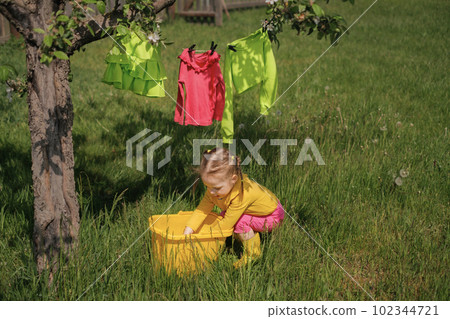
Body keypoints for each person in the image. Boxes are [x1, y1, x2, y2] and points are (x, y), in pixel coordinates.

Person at [183, 147, 285, 268]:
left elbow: (227, 223)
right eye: (207, 186)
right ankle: (231, 241)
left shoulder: (243, 194)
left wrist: (204, 237)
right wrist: (189, 229)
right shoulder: (214, 188)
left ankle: (253, 254)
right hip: (258, 213)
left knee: (238, 222)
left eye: (216, 188)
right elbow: (201, 210)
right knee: (220, 218)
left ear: (233, 179)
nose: (210, 192)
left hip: (273, 216)